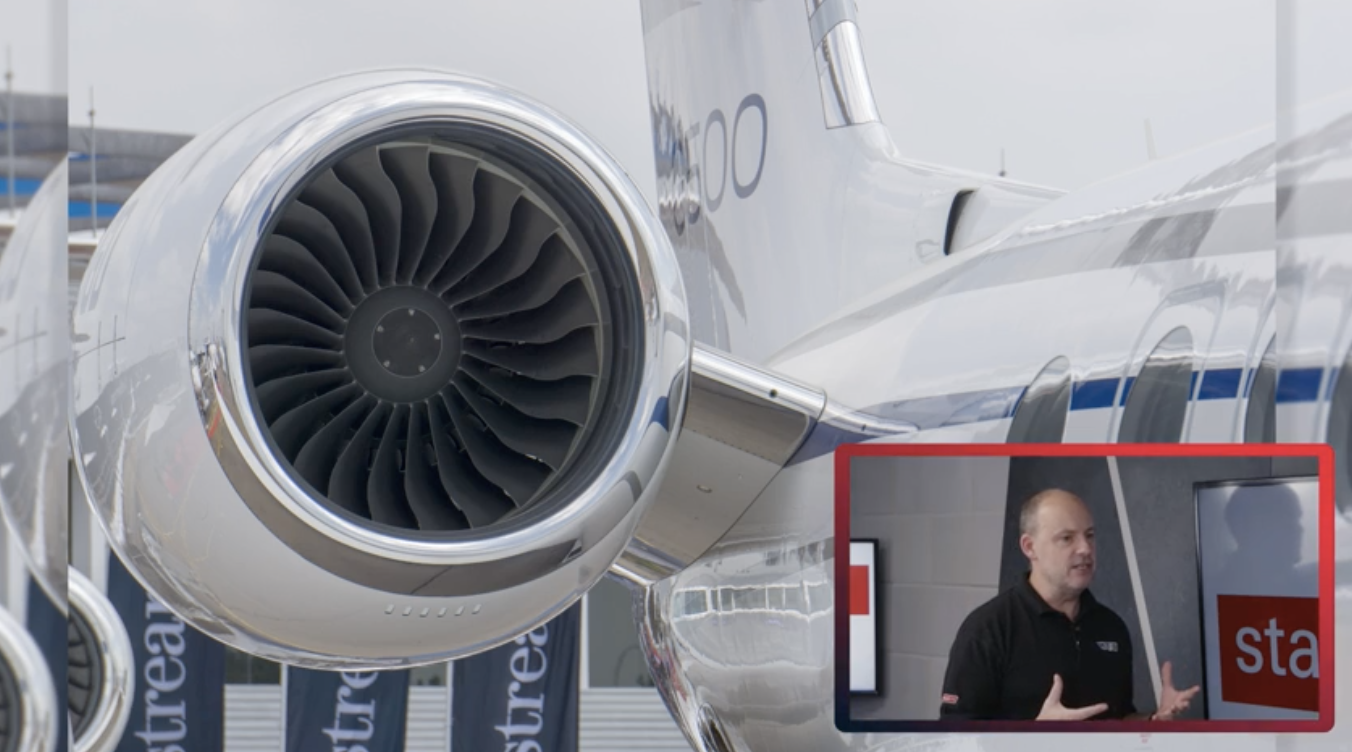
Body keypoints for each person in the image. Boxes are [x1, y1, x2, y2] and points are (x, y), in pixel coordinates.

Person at [937, 488, 1200, 721]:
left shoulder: (1111, 627)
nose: (1085, 548)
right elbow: (954, 738)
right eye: (1067, 538)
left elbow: (1117, 719)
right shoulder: (987, 630)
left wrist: (1153, 721)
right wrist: (1035, 736)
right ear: (1029, 547)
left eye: (1090, 535)